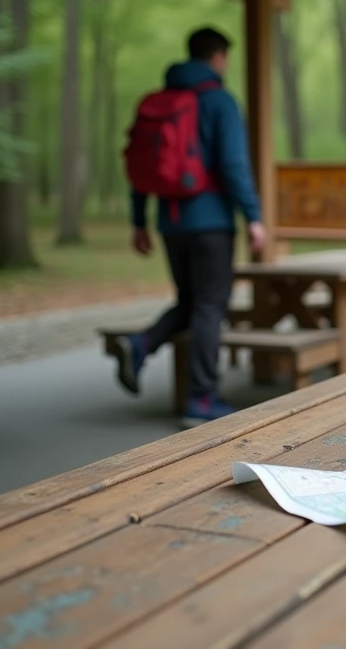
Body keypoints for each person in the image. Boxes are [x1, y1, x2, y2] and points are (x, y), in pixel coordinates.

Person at [110, 27, 268, 427]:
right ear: (218, 57)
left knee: (191, 301)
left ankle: (141, 344)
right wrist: (252, 216)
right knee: (210, 307)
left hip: (170, 222)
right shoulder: (219, 101)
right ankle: (200, 399)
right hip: (212, 222)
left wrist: (138, 220)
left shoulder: (162, 104)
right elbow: (234, 165)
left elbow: (139, 166)